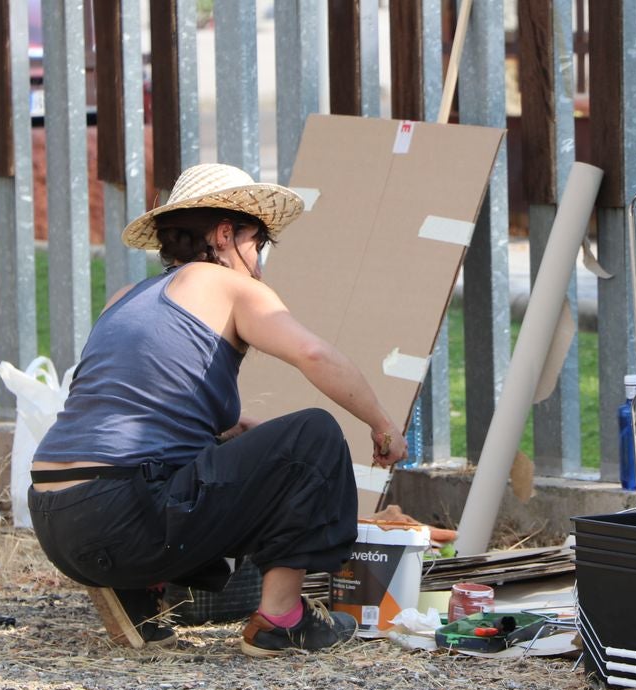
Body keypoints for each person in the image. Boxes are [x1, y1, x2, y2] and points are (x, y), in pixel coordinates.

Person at [28, 163, 407, 655]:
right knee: (312, 435)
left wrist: (234, 432)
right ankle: (282, 619)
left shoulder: (125, 298)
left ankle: (135, 593)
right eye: (259, 244)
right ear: (226, 232)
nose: (261, 262)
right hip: (123, 514)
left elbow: (123, 407)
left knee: (215, 451)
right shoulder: (230, 286)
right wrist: (382, 424)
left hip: (54, 519)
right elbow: (315, 355)